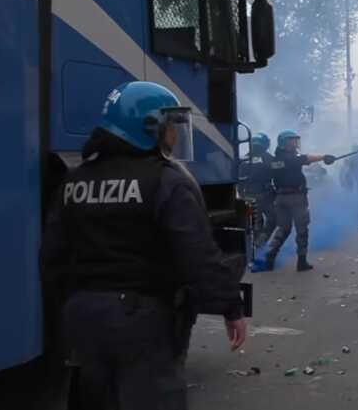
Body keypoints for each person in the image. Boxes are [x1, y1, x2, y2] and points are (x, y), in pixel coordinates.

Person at [41, 81, 247, 410]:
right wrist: (230, 307)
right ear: (148, 127)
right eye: (171, 126)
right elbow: (197, 254)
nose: (175, 135)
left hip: (82, 316)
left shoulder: (74, 181)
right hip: (141, 318)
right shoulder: (167, 181)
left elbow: (52, 256)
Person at [264, 130, 337, 272]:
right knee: (302, 230)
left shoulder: (275, 160)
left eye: (295, 140)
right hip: (295, 198)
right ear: (284, 143)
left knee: (283, 229)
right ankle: (301, 262)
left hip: (280, 198)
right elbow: (305, 158)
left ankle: (270, 256)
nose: (295, 143)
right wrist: (324, 157)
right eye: (291, 141)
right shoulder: (289, 157)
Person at [240, 133, 276, 250]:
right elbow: (280, 172)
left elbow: (239, 180)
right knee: (273, 220)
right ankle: (260, 244)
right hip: (265, 195)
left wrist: (241, 195)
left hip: (249, 195)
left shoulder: (244, 159)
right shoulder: (269, 158)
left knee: (256, 225)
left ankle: (257, 248)